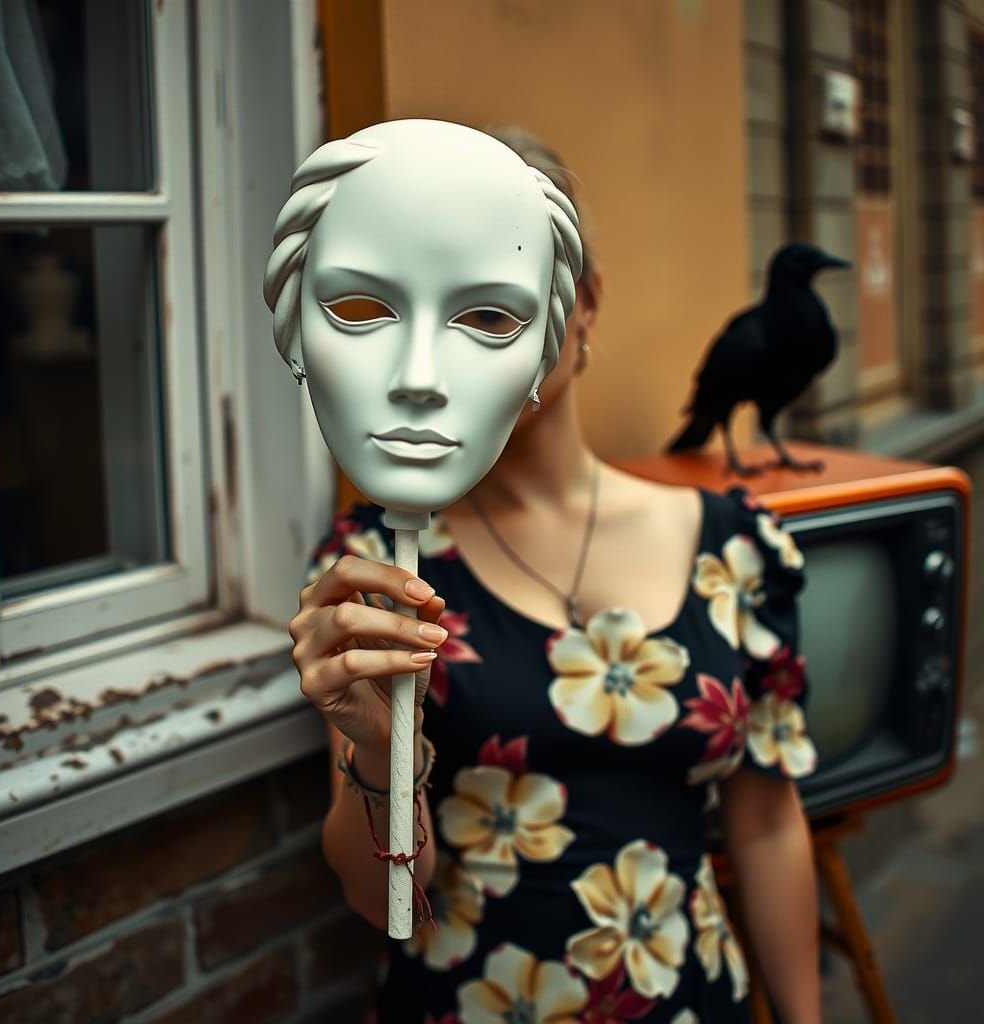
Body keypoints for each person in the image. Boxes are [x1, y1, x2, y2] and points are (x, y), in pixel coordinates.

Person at [290, 128, 821, 1024]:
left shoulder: (735, 546)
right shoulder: (381, 568)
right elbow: (376, 895)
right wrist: (380, 751)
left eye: (495, 305)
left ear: (583, 303)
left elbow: (767, 824)